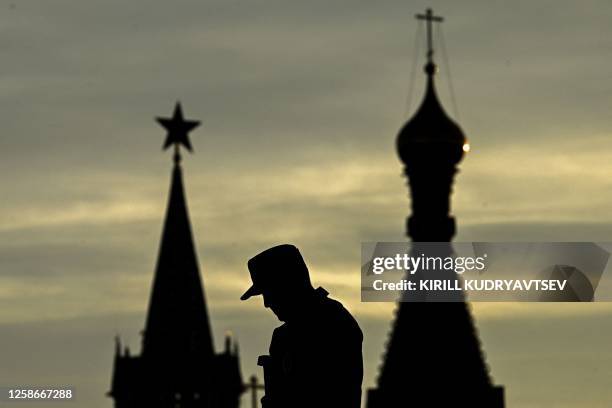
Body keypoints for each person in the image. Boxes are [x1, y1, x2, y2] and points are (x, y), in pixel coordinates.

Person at [241, 244, 363, 408]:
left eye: (269, 292)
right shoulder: (282, 336)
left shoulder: (335, 323)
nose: (266, 303)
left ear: (287, 285)